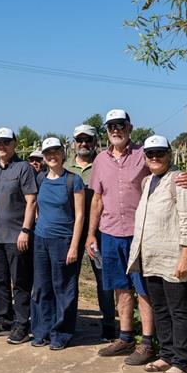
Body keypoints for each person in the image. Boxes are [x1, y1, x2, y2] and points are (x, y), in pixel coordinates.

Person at [86, 109, 187, 366]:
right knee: (120, 287)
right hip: (110, 232)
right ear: (106, 130)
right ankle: (125, 337)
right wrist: (91, 233)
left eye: (120, 125)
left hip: (141, 235)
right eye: (111, 126)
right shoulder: (100, 160)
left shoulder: (144, 154)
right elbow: (98, 199)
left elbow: (167, 174)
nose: (116, 130)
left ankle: (147, 342)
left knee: (143, 289)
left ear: (129, 127)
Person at [127, 135, 187, 373]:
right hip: (152, 259)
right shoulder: (148, 181)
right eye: (150, 154)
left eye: (159, 153)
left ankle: (181, 362)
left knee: (179, 310)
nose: (154, 158)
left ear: (169, 154)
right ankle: (167, 354)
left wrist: (185, 257)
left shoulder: (179, 181)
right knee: (161, 308)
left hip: (174, 258)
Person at [0, 127, 37, 344]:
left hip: (16, 236)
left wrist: (25, 230)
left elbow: (31, 200)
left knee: (21, 282)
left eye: (6, 142)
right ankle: (4, 319)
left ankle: (22, 324)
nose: (2, 146)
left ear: (14, 144)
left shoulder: (23, 168)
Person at [30, 137, 85, 350]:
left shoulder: (74, 180)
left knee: (64, 287)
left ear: (63, 153)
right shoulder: (41, 178)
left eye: (55, 151)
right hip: (41, 239)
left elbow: (80, 216)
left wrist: (73, 246)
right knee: (42, 287)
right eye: (47, 153)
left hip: (63, 240)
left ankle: (61, 333)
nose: (51, 156)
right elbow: (36, 205)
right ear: (43, 157)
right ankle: (41, 330)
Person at [65, 124, 117, 341]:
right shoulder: (65, 166)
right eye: (80, 140)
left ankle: (108, 324)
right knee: (68, 278)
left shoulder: (105, 163)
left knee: (104, 278)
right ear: (74, 142)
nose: (84, 144)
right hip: (71, 232)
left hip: (99, 232)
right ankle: (68, 323)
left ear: (96, 141)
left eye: (88, 140)